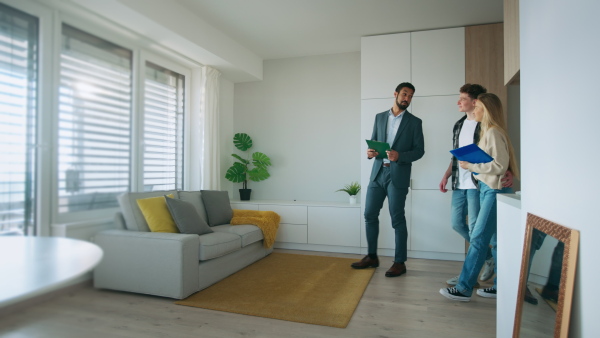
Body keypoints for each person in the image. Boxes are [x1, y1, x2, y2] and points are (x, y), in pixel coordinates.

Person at [439, 92, 519, 301]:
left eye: (478, 107)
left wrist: (471, 165)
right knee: (495, 240)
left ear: (487, 110)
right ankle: (499, 286)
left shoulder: (492, 132)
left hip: (493, 190)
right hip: (488, 188)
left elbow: (500, 166)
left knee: (478, 238)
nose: (474, 110)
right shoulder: (489, 132)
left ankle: (464, 288)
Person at [351, 82, 425, 277]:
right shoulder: (379, 117)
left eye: (410, 96)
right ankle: (372, 256)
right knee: (369, 215)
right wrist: (370, 153)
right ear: (396, 94)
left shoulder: (415, 122)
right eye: (404, 94)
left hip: (397, 176)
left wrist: (399, 156)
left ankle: (399, 262)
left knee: (397, 218)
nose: (406, 98)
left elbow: (419, 151)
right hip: (377, 173)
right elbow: (375, 143)